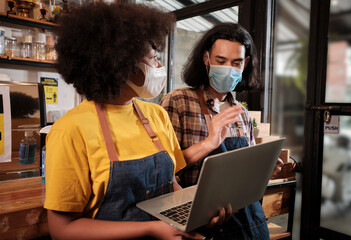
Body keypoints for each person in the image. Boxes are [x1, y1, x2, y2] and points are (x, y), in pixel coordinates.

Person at [44, 3, 231, 240]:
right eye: (153, 59)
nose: (159, 66)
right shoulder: (70, 131)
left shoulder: (156, 115)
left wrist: (194, 213)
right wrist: (151, 229)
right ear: (121, 66)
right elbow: (62, 230)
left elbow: (169, 183)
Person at [160, 23, 283, 239]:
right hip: (201, 221)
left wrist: (262, 171)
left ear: (245, 64)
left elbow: (243, 178)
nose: (228, 68)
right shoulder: (178, 101)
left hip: (247, 220)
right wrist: (208, 141)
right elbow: (163, 172)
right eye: (221, 61)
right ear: (206, 59)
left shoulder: (242, 113)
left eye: (236, 63)